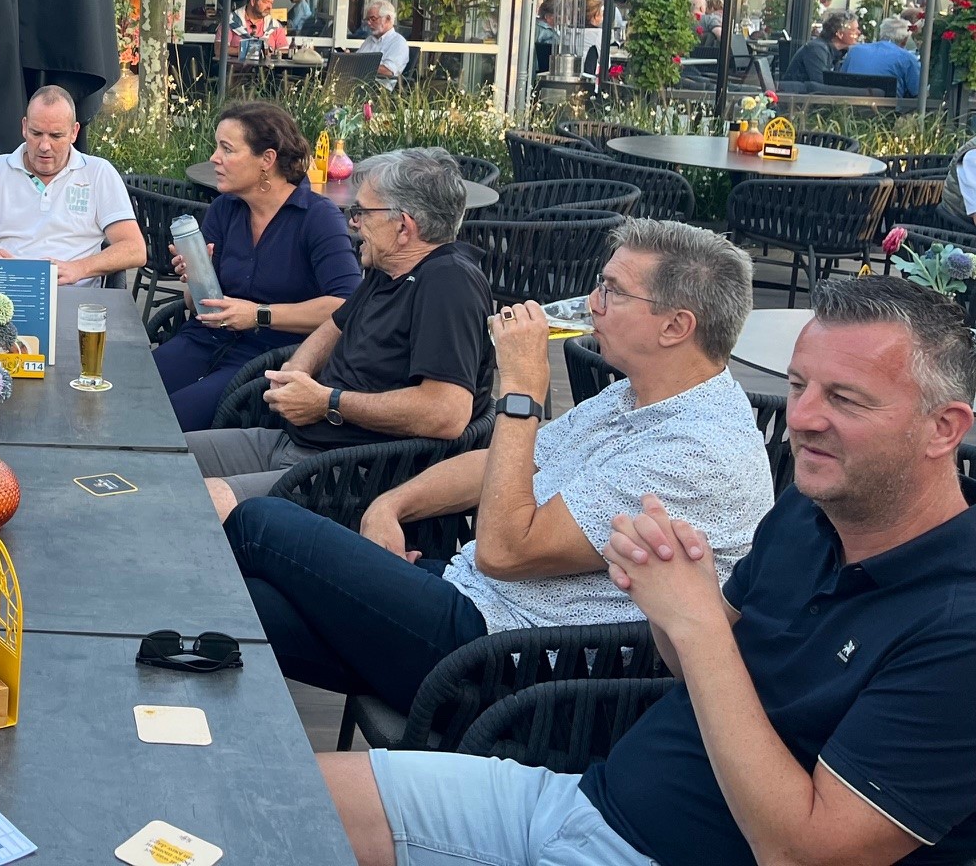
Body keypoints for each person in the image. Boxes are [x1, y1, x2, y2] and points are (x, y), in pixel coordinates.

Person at [321, 275, 976, 866]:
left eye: (846, 399)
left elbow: (802, 853)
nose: (800, 419)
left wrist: (698, 625)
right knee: (291, 794)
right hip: (579, 802)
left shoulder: (957, 629)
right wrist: (667, 601)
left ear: (944, 428)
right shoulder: (808, 514)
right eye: (799, 385)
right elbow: (696, 665)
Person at [229, 220, 772, 713]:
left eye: (612, 290)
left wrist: (521, 393)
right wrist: (389, 506)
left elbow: (504, 552)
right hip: (468, 600)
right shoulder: (635, 395)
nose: (592, 303)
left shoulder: (696, 452)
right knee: (249, 607)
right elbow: (506, 461)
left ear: (675, 326)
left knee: (260, 523)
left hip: (510, 666)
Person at [188, 147, 491, 511]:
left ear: (403, 226)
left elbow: (446, 413)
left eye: (362, 212)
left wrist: (328, 402)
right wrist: (297, 371)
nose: (353, 223)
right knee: (160, 457)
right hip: (297, 443)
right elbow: (334, 326)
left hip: (351, 476)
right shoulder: (388, 269)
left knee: (200, 504)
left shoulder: (448, 282)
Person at [153, 102, 361, 431]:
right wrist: (195, 276)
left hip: (268, 358)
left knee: (168, 422)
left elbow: (346, 307)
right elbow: (197, 306)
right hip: (205, 338)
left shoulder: (317, 218)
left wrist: (258, 314)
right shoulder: (224, 209)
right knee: (127, 389)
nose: (214, 158)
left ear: (267, 159)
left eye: (227, 149)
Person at [0, 86, 145, 288]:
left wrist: (80, 268)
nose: (44, 146)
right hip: (6, 296)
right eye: (36, 133)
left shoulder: (98, 173)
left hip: (75, 298)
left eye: (56, 135)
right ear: (24, 127)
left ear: (74, 132)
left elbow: (135, 249)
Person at [841, 15, 922, 97]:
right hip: (888, 104)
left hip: (850, 102)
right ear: (905, 40)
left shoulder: (855, 50)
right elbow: (918, 92)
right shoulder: (907, 58)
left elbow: (841, 79)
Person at [783, 8, 857, 88]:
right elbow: (822, 86)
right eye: (854, 30)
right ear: (839, 34)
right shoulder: (816, 49)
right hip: (795, 95)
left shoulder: (836, 52)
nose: (858, 32)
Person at [225, 0, 290, 60]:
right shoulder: (231, 21)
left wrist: (270, 52)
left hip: (267, 67)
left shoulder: (275, 26)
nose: (270, 7)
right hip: (235, 67)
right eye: (265, 2)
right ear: (253, 1)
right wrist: (250, 51)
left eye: (271, 3)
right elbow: (219, 50)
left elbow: (285, 52)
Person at [358, 0, 410, 84]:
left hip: (378, 87)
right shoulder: (369, 40)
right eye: (367, 19)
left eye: (373, 19)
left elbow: (388, 71)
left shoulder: (398, 42)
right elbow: (357, 60)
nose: (369, 23)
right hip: (358, 83)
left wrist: (361, 64)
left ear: (387, 19)